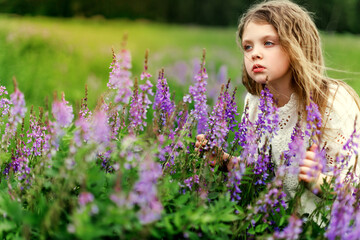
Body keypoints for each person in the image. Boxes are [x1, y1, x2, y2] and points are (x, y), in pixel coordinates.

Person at [195, 0, 360, 217]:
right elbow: (259, 173)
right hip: (272, 220)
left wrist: (318, 182)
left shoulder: (332, 102)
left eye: (268, 43)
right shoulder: (254, 103)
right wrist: (225, 162)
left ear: (297, 45)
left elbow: (354, 190)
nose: (254, 53)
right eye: (248, 46)